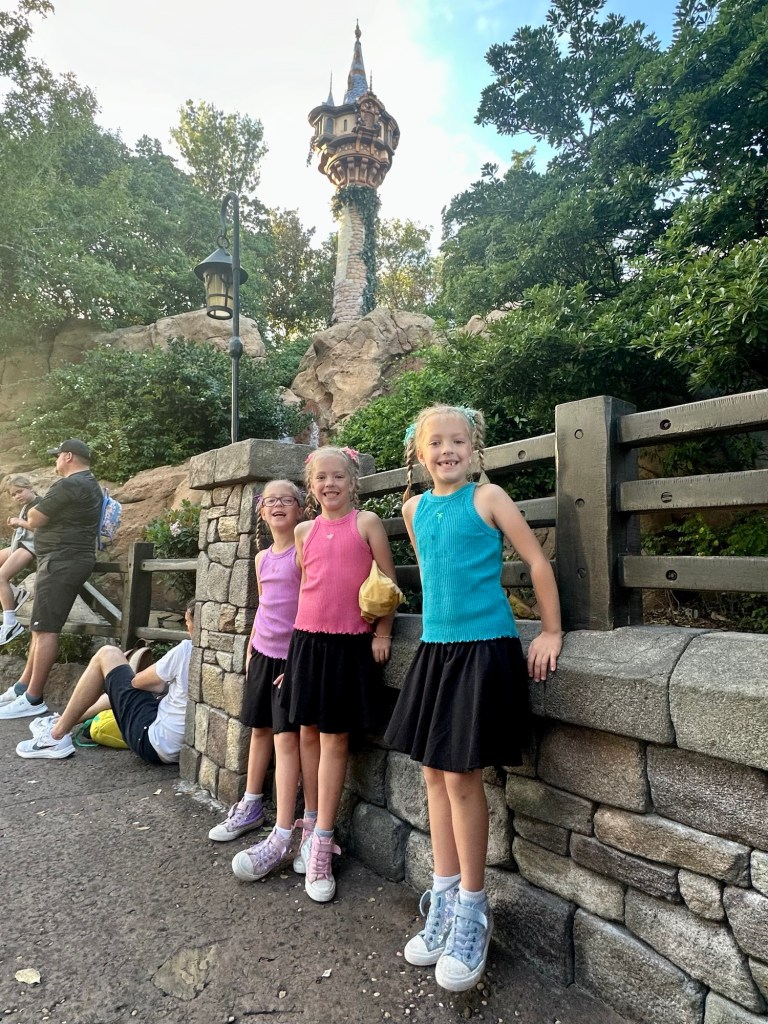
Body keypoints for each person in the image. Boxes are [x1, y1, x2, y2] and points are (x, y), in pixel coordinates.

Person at [385, 405, 562, 993]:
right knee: (434, 775)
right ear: (420, 453)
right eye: (436, 443)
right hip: (438, 651)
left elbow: (535, 561)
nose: (447, 451)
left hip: (484, 649)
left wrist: (551, 631)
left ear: (474, 447)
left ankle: (472, 908)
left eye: (458, 441)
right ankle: (442, 898)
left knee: (462, 777)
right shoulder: (413, 509)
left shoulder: (489, 498)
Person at [279, 446, 397, 903]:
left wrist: (382, 632)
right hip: (306, 644)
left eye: (338, 477)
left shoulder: (366, 523)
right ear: (311, 487)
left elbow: (387, 584)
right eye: (321, 478)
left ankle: (323, 843)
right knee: (307, 732)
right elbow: (307, 588)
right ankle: (309, 827)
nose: (330, 484)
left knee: (333, 739)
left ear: (353, 482)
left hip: (348, 645)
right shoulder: (303, 531)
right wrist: (292, 660)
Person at [207, 480, 311, 884]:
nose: (278, 505)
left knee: (287, 738)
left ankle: (292, 826)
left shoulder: (302, 552)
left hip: (291, 657)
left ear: (301, 509)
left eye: (287, 499)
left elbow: (310, 605)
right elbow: (266, 605)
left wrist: (299, 659)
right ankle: (251, 804)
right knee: (259, 730)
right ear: (261, 512)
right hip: (263, 654)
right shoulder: (261, 558)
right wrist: (251, 648)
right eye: (270, 501)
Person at [16, 599, 195, 762]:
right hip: (179, 747)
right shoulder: (207, 655)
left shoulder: (186, 650)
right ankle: (58, 722)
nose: (187, 627)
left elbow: (136, 683)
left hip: (154, 743)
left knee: (108, 654)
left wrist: (127, 670)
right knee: (119, 692)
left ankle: (55, 737)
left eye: (188, 621)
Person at [0, 439, 103, 720]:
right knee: (39, 627)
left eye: (57, 456)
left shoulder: (71, 484)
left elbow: (35, 518)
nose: (55, 461)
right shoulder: (88, 483)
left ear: (68, 456)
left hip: (62, 561)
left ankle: (33, 698)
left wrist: (35, 514)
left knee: (46, 629)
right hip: (63, 560)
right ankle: (22, 688)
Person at [0, 476, 40, 646]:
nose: (17, 496)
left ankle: (10, 623)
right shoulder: (27, 506)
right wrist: (17, 524)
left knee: (0, 577)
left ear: (30, 488)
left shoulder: (39, 504)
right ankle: (16, 594)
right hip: (21, 544)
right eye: (13, 494)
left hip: (31, 548)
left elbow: (41, 528)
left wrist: (20, 522)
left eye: (20, 491)